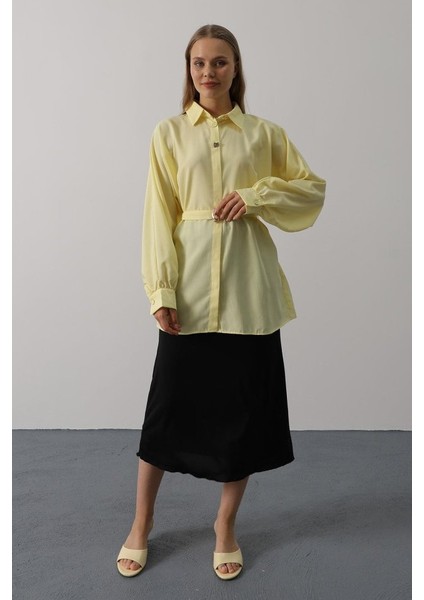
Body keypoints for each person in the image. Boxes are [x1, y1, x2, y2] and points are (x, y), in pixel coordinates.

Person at [116, 23, 326, 581]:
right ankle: (141, 523)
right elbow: (158, 215)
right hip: (188, 291)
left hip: (247, 294)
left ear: (236, 68)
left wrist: (256, 196)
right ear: (189, 70)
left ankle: (225, 526)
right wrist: (160, 290)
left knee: (241, 419)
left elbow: (311, 190)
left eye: (220, 62)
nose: (208, 72)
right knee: (165, 413)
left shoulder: (263, 134)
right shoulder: (168, 134)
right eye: (199, 63)